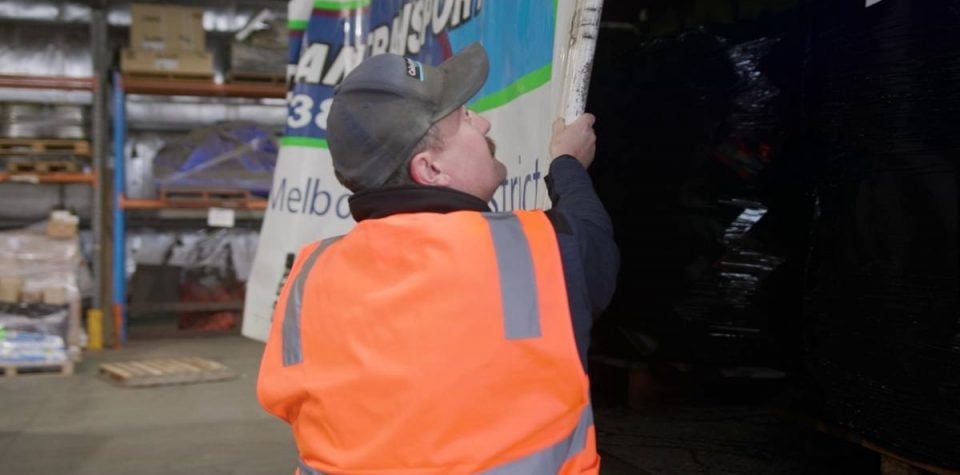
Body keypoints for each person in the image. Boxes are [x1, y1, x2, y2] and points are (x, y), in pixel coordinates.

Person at [258, 42, 619, 474]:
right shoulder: (534, 247)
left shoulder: (309, 274)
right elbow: (593, 238)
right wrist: (567, 163)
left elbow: (287, 401)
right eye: (465, 119)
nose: (484, 122)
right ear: (429, 170)